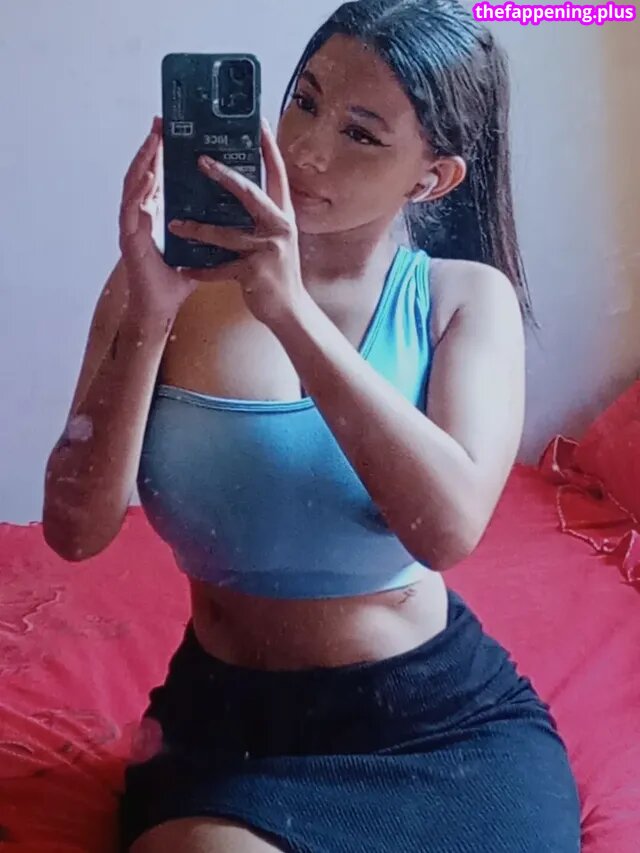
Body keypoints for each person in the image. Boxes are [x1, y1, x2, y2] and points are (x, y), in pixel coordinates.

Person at [43, 1, 581, 850]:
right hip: (230, 729)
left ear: (432, 178)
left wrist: (289, 310)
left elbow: (446, 530)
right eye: (304, 99)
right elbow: (74, 533)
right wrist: (147, 317)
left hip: (439, 725)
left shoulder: (463, 300)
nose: (305, 149)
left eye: (361, 133)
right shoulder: (156, 285)